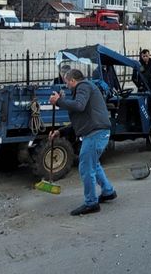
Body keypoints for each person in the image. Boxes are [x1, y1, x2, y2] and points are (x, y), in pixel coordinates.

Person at [48, 69, 116, 216]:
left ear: (73, 80)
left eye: (66, 82)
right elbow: (81, 118)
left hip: (95, 133)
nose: (66, 85)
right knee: (94, 165)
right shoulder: (86, 88)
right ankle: (108, 191)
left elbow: (79, 106)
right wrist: (60, 131)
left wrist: (59, 101)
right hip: (96, 131)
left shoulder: (83, 86)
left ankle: (91, 203)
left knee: (86, 168)